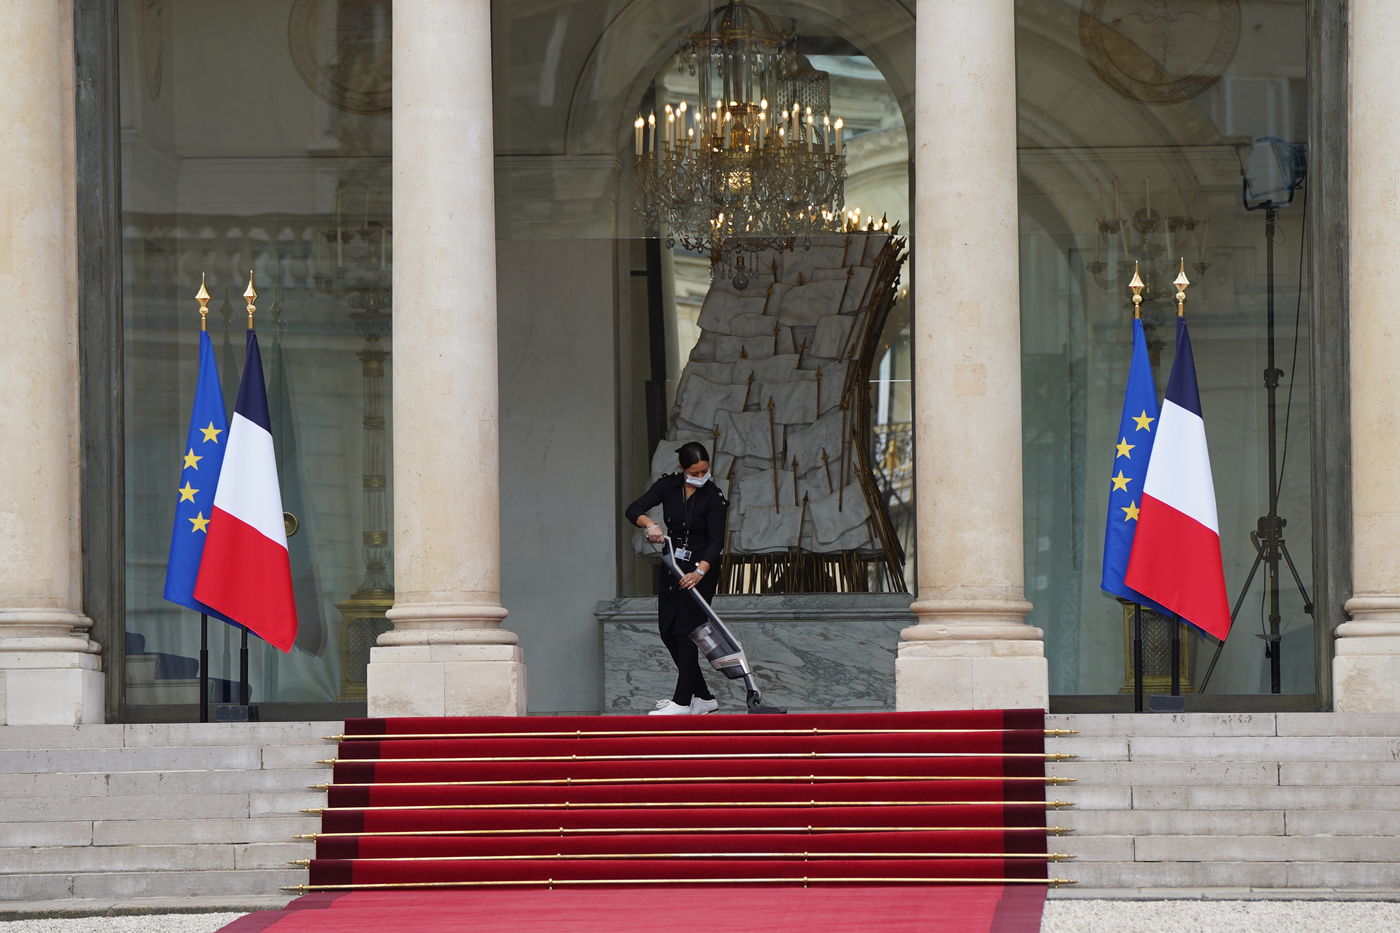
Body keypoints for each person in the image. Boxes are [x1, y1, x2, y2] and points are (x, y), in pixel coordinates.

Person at [624, 441, 728, 715]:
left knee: (686, 632)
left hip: (701, 570)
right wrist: (650, 524)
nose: (701, 476)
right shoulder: (668, 486)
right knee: (668, 631)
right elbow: (634, 509)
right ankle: (703, 697)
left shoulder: (714, 497)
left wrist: (699, 572)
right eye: (694, 472)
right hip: (673, 565)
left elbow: (716, 541)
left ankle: (682, 700)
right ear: (682, 468)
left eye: (705, 470)